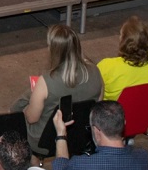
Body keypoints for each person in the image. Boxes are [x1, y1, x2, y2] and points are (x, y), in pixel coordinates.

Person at [11, 24, 104, 155]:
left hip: (46, 141)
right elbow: (98, 105)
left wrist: (26, 106)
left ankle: (33, 161)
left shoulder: (45, 81)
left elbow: (32, 118)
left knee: (17, 118)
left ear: (54, 50)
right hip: (82, 135)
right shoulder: (96, 71)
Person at [96, 16, 148, 101]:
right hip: (147, 109)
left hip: (115, 109)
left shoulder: (106, 67)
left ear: (123, 41)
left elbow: (94, 93)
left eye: (121, 35)